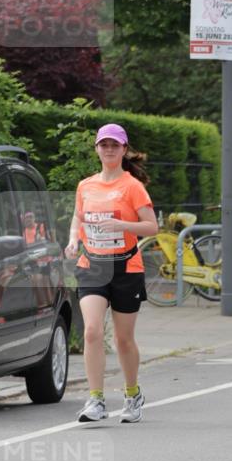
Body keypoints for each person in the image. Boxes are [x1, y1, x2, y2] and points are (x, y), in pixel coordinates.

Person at [65, 124, 158, 422]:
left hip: (126, 267)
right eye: (103, 145)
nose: (108, 149)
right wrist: (72, 240)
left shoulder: (132, 187)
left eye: (114, 145)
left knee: (123, 339)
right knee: (91, 331)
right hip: (92, 265)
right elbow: (78, 218)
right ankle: (95, 401)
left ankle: (132, 394)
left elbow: (151, 226)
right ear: (97, 149)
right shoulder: (86, 186)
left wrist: (123, 226)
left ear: (123, 150)